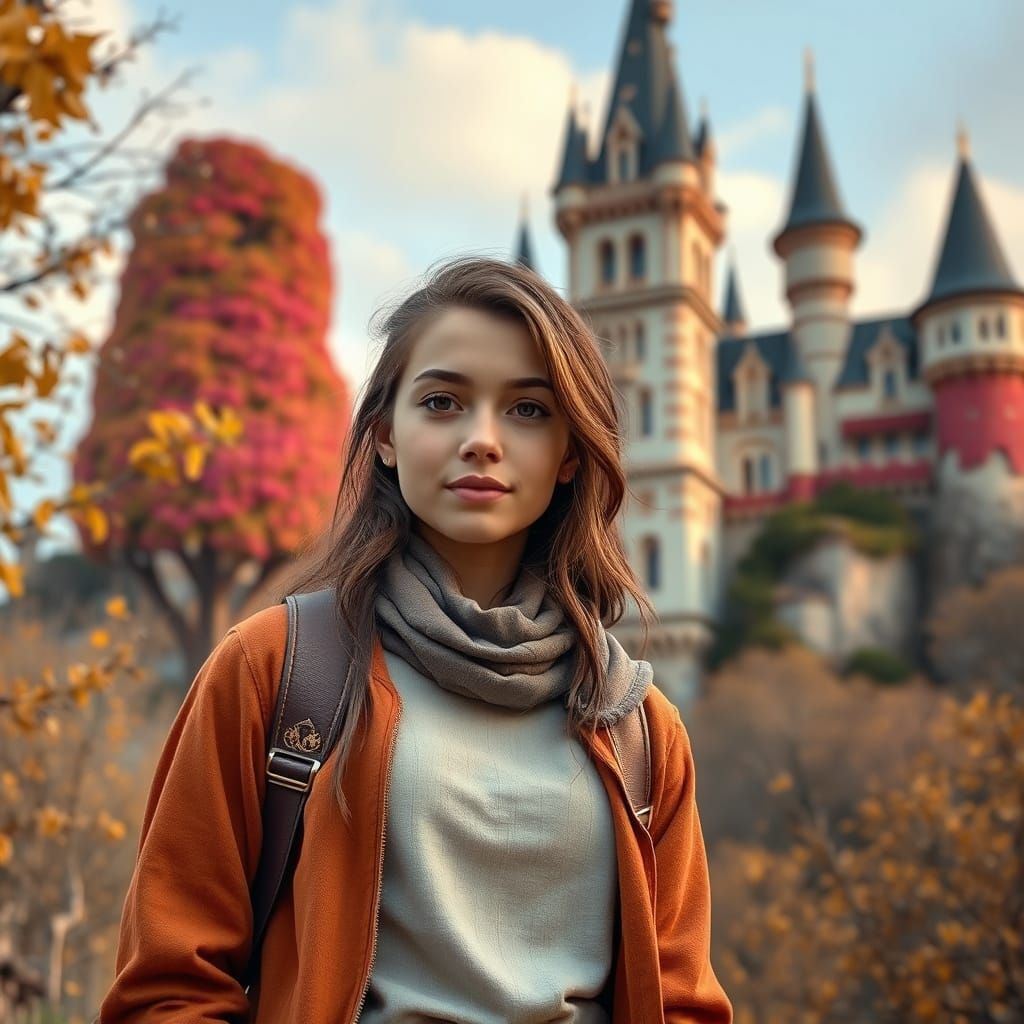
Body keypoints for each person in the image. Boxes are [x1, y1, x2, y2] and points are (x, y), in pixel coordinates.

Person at [98, 255, 733, 1023]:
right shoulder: (274, 671)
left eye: (528, 409)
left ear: (570, 453)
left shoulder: (640, 728)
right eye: (441, 402)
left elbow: (682, 1003)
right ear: (385, 436)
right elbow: (168, 988)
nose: (482, 440)